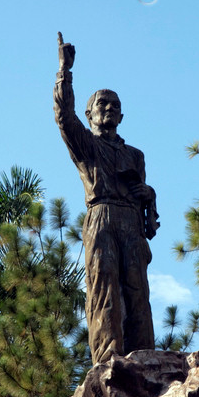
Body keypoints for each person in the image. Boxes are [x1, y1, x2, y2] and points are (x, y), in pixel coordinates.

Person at [53, 33, 159, 364]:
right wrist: (64, 72)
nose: (110, 108)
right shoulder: (87, 145)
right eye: (103, 103)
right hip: (100, 218)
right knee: (104, 288)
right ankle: (109, 360)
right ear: (90, 113)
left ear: (122, 116)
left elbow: (146, 201)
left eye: (115, 105)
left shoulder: (135, 155)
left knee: (138, 291)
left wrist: (148, 194)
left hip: (131, 222)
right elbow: (63, 117)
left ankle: (144, 356)